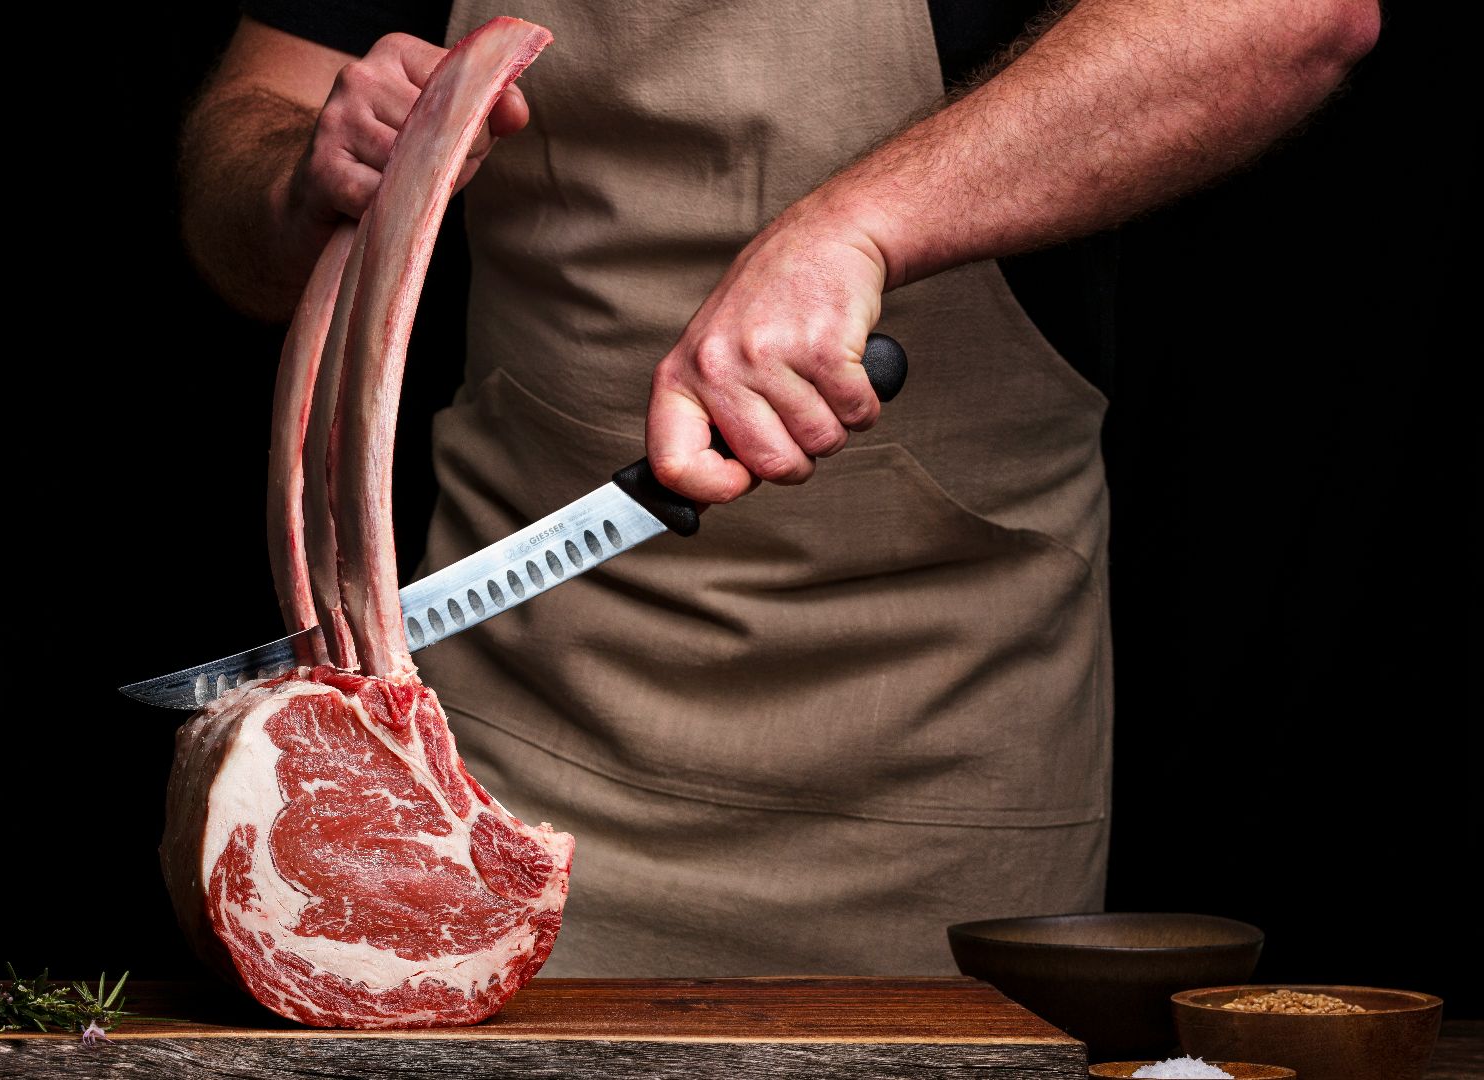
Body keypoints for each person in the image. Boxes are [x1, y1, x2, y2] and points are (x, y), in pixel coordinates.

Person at [180, 0, 1377, 976]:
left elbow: (1295, 14)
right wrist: (305, 175)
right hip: (497, 756)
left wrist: (862, 226)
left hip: (942, 756)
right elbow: (248, 160)